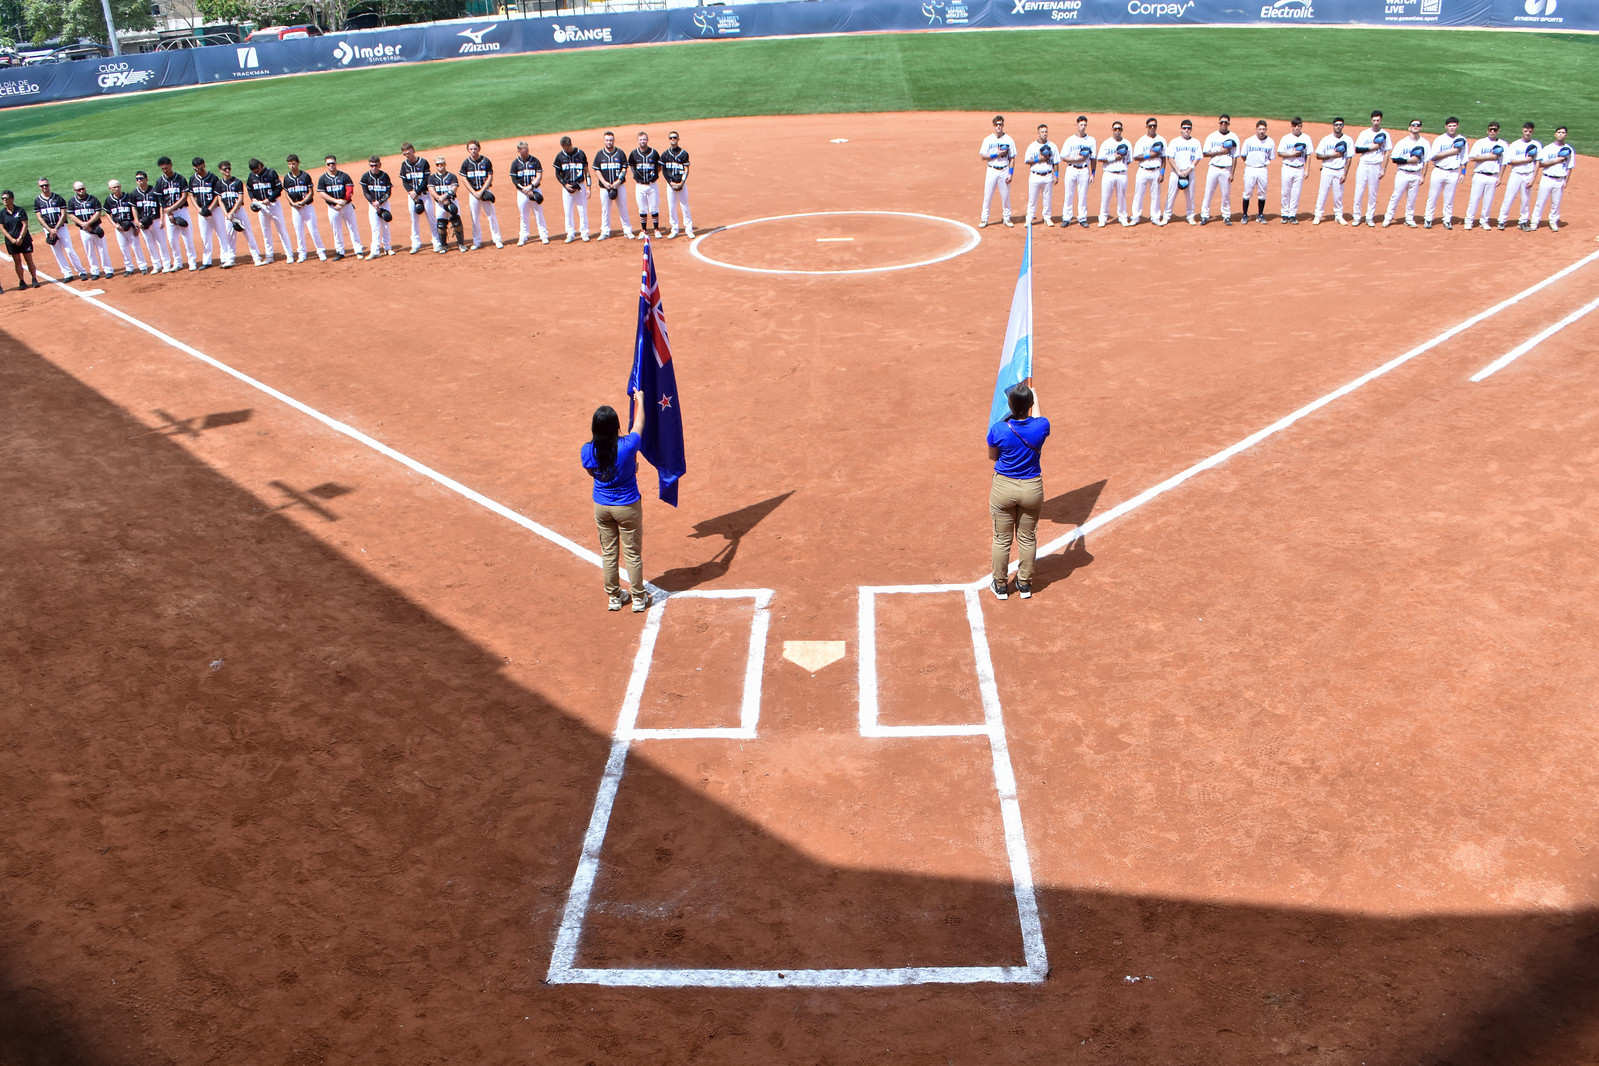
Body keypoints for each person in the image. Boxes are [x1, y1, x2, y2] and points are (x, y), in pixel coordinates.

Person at [582, 405, 651, 613]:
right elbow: (639, 424)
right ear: (616, 426)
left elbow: (592, 473)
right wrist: (640, 399)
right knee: (632, 553)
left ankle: (614, 596)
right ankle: (638, 597)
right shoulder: (628, 446)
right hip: (627, 506)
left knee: (609, 553)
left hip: (602, 507)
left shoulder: (587, 449)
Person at [986, 384, 1049, 602]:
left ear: (1010, 406)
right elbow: (1039, 418)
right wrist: (1035, 395)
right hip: (1031, 489)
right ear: (1030, 405)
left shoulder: (998, 429)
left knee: (1002, 539)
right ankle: (1024, 584)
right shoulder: (1041, 427)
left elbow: (992, 457)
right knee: (1027, 537)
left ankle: (1001, 586)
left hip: (1004, 488)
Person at [34, 177, 87, 280]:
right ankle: (67, 273)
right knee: (57, 252)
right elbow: (39, 217)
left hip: (61, 228)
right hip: (48, 230)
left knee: (69, 250)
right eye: (42, 186)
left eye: (46, 185)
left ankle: (81, 271)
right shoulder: (38, 201)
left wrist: (56, 228)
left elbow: (63, 214)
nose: (44, 187)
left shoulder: (57, 198)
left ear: (49, 185)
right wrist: (50, 230)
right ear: (39, 187)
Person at [1382, 118, 1430, 228]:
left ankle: (1409, 218)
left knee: (1412, 198)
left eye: (1418, 125)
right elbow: (1394, 159)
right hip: (1403, 173)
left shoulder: (1425, 143)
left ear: (1421, 128)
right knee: (1396, 196)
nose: (1415, 126)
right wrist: (1409, 161)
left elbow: (1426, 161)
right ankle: (1388, 217)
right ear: (1409, 128)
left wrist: (1423, 176)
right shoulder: (1402, 142)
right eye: (1413, 125)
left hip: (1416, 173)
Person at [215, 160, 263, 267]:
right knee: (230, 237)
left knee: (248, 234)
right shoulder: (219, 184)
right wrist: (227, 214)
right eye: (225, 169)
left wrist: (232, 212)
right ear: (220, 170)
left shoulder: (237, 182)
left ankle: (256, 257)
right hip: (228, 215)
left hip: (239, 212)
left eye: (229, 168)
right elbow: (220, 200)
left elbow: (240, 199)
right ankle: (231, 259)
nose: (227, 170)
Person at [282, 154, 328, 263]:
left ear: (298, 163)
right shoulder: (287, 178)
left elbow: (311, 192)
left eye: (293, 163)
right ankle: (302, 253)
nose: (292, 166)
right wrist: (293, 203)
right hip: (295, 209)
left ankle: (320, 251)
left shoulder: (305, 176)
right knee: (299, 231)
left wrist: (302, 202)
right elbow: (287, 193)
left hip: (307, 207)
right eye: (289, 164)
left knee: (313, 229)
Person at [1423, 117, 1466, 229]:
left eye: (1454, 126)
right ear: (1446, 126)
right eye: (1450, 126)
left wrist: (1463, 173)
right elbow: (1434, 156)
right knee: (1433, 196)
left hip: (1453, 172)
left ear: (1457, 126)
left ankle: (1447, 219)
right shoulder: (1439, 140)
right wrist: (1452, 151)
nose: (1452, 128)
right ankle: (1428, 218)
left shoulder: (1462, 140)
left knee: (1449, 198)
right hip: (1439, 170)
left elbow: (1464, 158)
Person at [318, 155, 364, 260]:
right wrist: (335, 202)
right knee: (336, 230)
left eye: (332, 163)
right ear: (326, 165)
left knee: (353, 227)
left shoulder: (344, 176)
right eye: (328, 164)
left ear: (336, 163)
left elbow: (349, 190)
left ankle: (358, 250)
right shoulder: (323, 178)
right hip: (332, 208)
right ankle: (340, 251)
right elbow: (322, 193)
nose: (331, 166)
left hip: (347, 206)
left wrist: (342, 203)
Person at [247, 158, 292, 264]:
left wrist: (269, 199)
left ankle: (289, 254)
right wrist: (253, 199)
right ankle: (269, 256)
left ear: (260, 165)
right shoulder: (251, 176)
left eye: (257, 170)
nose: (256, 172)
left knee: (281, 230)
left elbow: (278, 188)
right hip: (261, 207)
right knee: (265, 232)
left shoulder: (271, 173)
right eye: (254, 171)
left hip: (273, 205)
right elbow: (249, 188)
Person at [1463, 121, 1506, 231]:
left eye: (1495, 130)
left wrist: (1500, 178)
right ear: (1487, 130)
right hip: (1479, 175)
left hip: (1493, 176)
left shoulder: (1503, 144)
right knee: (1474, 199)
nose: (1492, 131)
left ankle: (1484, 221)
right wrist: (1489, 157)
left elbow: (1504, 163)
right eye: (1490, 129)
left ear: (1498, 131)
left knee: (1488, 200)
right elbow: (1473, 158)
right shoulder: (1480, 143)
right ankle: (1469, 221)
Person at [1498, 122, 1542, 231]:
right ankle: (1502, 220)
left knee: (1526, 200)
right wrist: (1526, 160)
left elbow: (1537, 163)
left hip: (1528, 175)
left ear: (1533, 132)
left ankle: (1523, 221)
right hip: (1516, 174)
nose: (1527, 133)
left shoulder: (1536, 145)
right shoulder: (1515, 144)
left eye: (1530, 131)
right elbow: (1511, 161)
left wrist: (1533, 179)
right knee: (1509, 197)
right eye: (1526, 131)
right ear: (1522, 130)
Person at [460, 139, 503, 249]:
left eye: (475, 148)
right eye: (471, 149)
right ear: (468, 150)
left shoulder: (486, 161)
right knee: (474, 218)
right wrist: (474, 192)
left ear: (479, 148)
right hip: (473, 194)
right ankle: (477, 241)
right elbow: (464, 179)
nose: (473, 151)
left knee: (491, 216)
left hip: (485, 192)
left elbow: (490, 177)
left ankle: (497, 239)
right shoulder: (466, 163)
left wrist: (482, 191)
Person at [66, 181, 112, 280]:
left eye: (83, 188)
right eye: (79, 189)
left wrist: (89, 223)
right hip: (83, 231)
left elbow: (98, 212)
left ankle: (108, 270)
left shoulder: (93, 199)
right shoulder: (72, 202)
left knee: (102, 250)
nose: (82, 191)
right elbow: (71, 215)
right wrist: (82, 224)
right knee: (90, 252)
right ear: (75, 190)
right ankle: (95, 271)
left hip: (96, 228)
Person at [1351, 110, 1390, 227]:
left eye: (1378, 120)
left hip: (1376, 165)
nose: (1376, 122)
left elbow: (1387, 152)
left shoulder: (1385, 134)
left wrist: (1384, 169)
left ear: (1381, 120)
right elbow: (1357, 149)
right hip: (1364, 164)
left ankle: (1369, 216)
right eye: (1374, 120)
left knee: (1373, 192)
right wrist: (1371, 148)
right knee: (1359, 190)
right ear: (1371, 120)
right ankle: (1357, 216)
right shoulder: (1364, 133)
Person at [1312, 117, 1353, 225]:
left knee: (1338, 195)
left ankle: (1339, 216)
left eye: (1340, 124)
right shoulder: (1326, 139)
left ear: (1343, 126)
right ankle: (1318, 215)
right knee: (1323, 193)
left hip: (1340, 171)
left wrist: (1345, 173)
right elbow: (1318, 155)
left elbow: (1349, 158)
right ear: (1333, 126)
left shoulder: (1348, 140)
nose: (1338, 126)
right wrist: (1332, 155)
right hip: (1327, 169)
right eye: (1336, 124)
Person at [977, 114, 1016, 228]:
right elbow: (983, 156)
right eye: (996, 124)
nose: (998, 126)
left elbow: (1012, 158)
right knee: (987, 195)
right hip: (992, 170)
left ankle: (1007, 218)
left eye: (1000, 124)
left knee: (1005, 196)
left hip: (1004, 170)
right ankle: (984, 219)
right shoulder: (988, 139)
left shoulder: (1009, 140)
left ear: (1003, 125)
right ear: (993, 126)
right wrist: (997, 154)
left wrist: (1011, 173)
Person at [1532, 125, 1574, 232]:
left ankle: (1553, 221)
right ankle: (1534, 221)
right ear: (1555, 134)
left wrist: (1566, 181)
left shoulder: (1569, 150)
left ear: (1566, 135)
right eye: (1559, 132)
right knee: (1540, 201)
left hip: (1559, 180)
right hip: (1547, 178)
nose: (1560, 134)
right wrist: (1555, 160)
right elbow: (1541, 164)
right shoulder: (1548, 148)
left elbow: (1569, 167)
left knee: (1556, 203)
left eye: (1563, 132)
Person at [398, 142, 438, 254]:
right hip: (412, 196)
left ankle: (436, 242)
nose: (407, 156)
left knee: (431, 219)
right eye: (405, 154)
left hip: (424, 195)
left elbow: (426, 180)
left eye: (408, 153)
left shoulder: (423, 162)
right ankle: (415, 244)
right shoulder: (404, 165)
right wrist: (411, 192)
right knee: (414, 221)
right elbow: (404, 181)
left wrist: (416, 192)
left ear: (413, 150)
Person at [1200, 114, 1239, 225]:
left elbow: (1235, 157)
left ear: (1228, 124)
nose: (1223, 124)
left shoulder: (1234, 137)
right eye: (1221, 122)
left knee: (1226, 194)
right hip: (1213, 168)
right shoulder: (1212, 136)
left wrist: (1232, 173)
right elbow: (1205, 153)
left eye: (1225, 122)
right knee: (1208, 192)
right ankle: (1204, 215)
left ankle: (1226, 215)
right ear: (1219, 123)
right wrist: (1219, 152)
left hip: (1226, 169)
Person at [593, 130, 633, 240]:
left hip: (619, 186)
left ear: (614, 140)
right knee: (605, 210)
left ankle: (627, 230)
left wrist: (617, 182)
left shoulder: (620, 153)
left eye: (611, 140)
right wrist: (605, 183)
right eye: (607, 140)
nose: (609, 142)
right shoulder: (599, 154)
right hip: (604, 188)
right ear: (604, 141)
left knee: (623, 208)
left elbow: (624, 169)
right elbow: (597, 170)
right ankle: (605, 231)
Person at [103, 179, 149, 276]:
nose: (117, 189)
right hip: (119, 227)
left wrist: (137, 227)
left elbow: (136, 210)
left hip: (131, 225)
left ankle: (143, 266)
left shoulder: (129, 197)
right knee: (123, 248)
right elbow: (107, 212)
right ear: (110, 189)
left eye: (118, 186)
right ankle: (129, 268)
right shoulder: (109, 200)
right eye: (114, 187)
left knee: (136, 247)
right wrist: (114, 225)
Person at [509, 140, 550, 245]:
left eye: (527, 149)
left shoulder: (535, 161)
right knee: (524, 215)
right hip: (522, 193)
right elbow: (514, 180)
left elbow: (539, 176)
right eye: (523, 149)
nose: (526, 151)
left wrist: (531, 187)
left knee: (539, 214)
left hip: (535, 190)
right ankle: (523, 237)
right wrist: (524, 189)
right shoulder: (515, 163)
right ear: (519, 150)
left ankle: (544, 235)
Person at [187, 157, 225, 269]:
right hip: (201, 212)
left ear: (204, 165)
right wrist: (198, 209)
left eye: (200, 168)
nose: (198, 171)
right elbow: (191, 195)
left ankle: (225, 258)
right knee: (205, 237)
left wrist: (210, 208)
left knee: (221, 234)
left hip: (215, 210)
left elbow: (218, 195)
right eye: (196, 169)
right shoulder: (192, 179)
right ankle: (207, 261)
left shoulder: (213, 178)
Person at [1, 190, 42, 288]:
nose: (4, 200)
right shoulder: (2, 213)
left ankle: (34, 279)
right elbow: (2, 228)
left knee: (28, 259)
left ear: (12, 199)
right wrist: (11, 239)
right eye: (3, 199)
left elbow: (25, 225)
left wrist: (21, 238)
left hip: (24, 239)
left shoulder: (20, 210)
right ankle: (22, 281)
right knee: (17, 261)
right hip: (11, 241)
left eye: (6, 198)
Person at [1059, 115, 1095, 228]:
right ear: (1077, 125)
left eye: (1084, 125)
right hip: (1071, 169)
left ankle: (1082, 218)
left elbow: (1094, 158)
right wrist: (1075, 159)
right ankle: (1066, 218)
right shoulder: (1070, 140)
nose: (1083, 127)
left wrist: (1092, 173)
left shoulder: (1091, 140)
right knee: (1069, 194)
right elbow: (1063, 156)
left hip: (1084, 170)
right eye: (1081, 125)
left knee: (1083, 195)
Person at [1163, 119, 1200, 226]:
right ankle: (1166, 216)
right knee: (1171, 195)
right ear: (1180, 129)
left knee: (1190, 196)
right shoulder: (1174, 142)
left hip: (1190, 173)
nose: (1186, 130)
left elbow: (1197, 158)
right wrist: (1178, 171)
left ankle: (1190, 216)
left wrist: (1188, 170)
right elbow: (1170, 158)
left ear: (1191, 129)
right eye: (1184, 128)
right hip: (1175, 173)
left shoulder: (1195, 142)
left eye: (1188, 128)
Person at [553, 135, 590, 243]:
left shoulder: (580, 153)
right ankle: (570, 233)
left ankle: (584, 232)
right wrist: (564, 184)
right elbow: (557, 174)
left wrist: (589, 187)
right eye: (563, 147)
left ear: (570, 144)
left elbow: (587, 171)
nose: (565, 149)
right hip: (567, 188)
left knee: (582, 210)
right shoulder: (560, 156)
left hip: (580, 186)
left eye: (567, 147)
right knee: (568, 211)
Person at [1277, 117, 1313, 224]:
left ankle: (1292, 214)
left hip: (1299, 168)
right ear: (1291, 126)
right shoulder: (1285, 138)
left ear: (1301, 126)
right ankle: (1284, 213)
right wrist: (1291, 154)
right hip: (1287, 167)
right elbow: (1280, 153)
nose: (1297, 128)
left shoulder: (1306, 138)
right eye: (1295, 126)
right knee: (1285, 192)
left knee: (1296, 193)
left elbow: (1309, 155)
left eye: (1299, 126)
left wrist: (1307, 170)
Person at [1022, 123, 1059, 227]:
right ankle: (1029, 218)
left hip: (1048, 175)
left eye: (1046, 132)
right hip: (1035, 176)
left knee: (1047, 198)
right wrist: (1039, 159)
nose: (1044, 134)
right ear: (1038, 133)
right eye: (1042, 132)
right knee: (1032, 198)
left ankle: (1047, 218)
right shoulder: (1032, 146)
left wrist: (1056, 175)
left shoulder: (1053, 146)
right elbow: (1027, 161)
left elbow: (1055, 162)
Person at [428, 157, 467, 252]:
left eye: (441, 164)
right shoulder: (432, 178)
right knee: (441, 225)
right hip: (439, 204)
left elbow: (454, 188)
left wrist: (444, 197)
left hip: (452, 202)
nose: (440, 166)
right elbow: (431, 190)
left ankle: (461, 244)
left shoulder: (452, 176)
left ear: (445, 164)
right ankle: (443, 245)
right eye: (437, 164)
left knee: (456, 222)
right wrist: (439, 198)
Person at [1129, 118, 1164, 226]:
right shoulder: (1141, 141)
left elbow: (1164, 158)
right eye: (1150, 126)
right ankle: (1135, 217)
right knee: (1138, 194)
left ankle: (1155, 217)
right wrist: (1150, 155)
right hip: (1143, 170)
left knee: (1156, 195)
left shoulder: (1161, 140)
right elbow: (1136, 157)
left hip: (1156, 171)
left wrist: (1162, 173)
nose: (1152, 128)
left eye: (1154, 126)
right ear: (1147, 127)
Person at [1238, 120, 1274, 223]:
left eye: (1263, 129)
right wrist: (1250, 163)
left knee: (1262, 192)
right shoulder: (1249, 141)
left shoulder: (1270, 142)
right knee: (1247, 192)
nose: (1261, 131)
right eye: (1260, 129)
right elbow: (1243, 155)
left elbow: (1270, 157)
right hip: (1250, 168)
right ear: (1256, 129)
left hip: (1262, 169)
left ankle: (1260, 215)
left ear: (1266, 130)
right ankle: (1245, 215)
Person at [130, 171, 167, 271]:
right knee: (150, 245)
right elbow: (134, 208)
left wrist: (162, 220)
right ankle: (156, 265)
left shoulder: (154, 190)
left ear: (147, 179)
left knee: (161, 243)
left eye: (141, 178)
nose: (139, 181)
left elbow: (161, 206)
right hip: (143, 223)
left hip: (156, 220)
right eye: (137, 179)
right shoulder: (134, 193)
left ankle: (166, 264)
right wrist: (137, 222)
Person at [627, 130, 662, 238]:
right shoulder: (634, 154)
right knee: (642, 208)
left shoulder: (654, 153)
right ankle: (644, 230)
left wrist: (653, 176)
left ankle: (656, 229)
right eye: (641, 139)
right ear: (638, 141)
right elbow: (632, 167)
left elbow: (659, 167)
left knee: (654, 208)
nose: (643, 141)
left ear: (647, 140)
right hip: (640, 185)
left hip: (652, 185)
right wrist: (638, 176)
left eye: (644, 139)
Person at [1096, 120, 1131, 228]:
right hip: (1108, 173)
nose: (1117, 131)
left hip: (1122, 174)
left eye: (1119, 129)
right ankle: (1103, 218)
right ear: (1112, 130)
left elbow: (1129, 160)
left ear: (1122, 130)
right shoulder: (1106, 143)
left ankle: (1123, 218)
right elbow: (1100, 158)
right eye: (1115, 129)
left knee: (1122, 197)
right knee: (1105, 197)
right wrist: (1114, 158)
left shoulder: (1127, 143)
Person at [360, 155, 395, 258]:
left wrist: (380, 202)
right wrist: (373, 202)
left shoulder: (385, 176)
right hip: (372, 206)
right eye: (371, 165)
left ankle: (388, 248)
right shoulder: (365, 177)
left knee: (386, 226)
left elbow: (388, 192)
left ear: (379, 164)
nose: (374, 167)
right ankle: (375, 250)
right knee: (375, 228)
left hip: (384, 204)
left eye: (375, 165)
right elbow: (365, 192)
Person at [661, 130, 694, 239]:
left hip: (681, 184)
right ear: (668, 139)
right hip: (670, 185)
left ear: (678, 139)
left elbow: (686, 169)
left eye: (675, 137)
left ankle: (688, 229)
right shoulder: (665, 154)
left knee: (685, 206)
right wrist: (670, 183)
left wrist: (681, 183)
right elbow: (664, 170)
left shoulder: (684, 153)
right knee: (672, 207)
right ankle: (674, 229)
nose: (673, 139)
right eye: (670, 138)